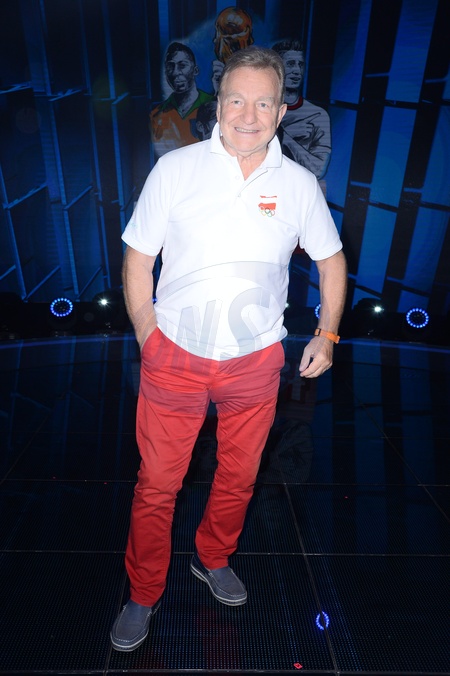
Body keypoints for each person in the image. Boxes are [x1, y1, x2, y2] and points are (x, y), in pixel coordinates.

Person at [111, 45, 347, 652]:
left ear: (281, 111)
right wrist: (148, 335)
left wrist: (326, 334)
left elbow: (332, 260)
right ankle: (143, 592)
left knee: (239, 478)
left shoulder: (298, 185)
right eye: (236, 100)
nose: (248, 115)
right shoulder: (176, 170)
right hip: (175, 355)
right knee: (157, 486)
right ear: (218, 104)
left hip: (256, 360)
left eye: (263, 103)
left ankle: (213, 558)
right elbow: (138, 258)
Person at [272, 40, 331, 180]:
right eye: (290, 64)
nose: (297, 71)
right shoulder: (259, 110)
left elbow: (318, 170)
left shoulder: (318, 115)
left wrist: (285, 137)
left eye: (301, 64)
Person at [150, 42, 214, 158]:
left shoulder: (215, 106)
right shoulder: (156, 115)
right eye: (170, 66)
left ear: (195, 70)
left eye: (182, 65)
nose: (175, 72)